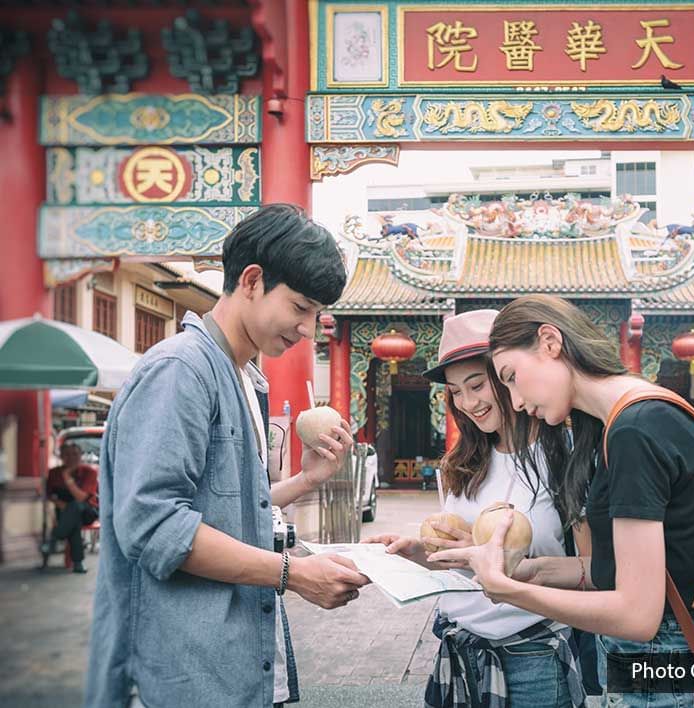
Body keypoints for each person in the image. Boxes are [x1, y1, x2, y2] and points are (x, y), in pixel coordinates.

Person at [85, 204, 370, 708]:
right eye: (301, 307)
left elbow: (228, 510)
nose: (309, 328)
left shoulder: (243, 376)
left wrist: (306, 480)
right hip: (182, 674)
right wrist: (294, 574)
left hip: (232, 669)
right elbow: (153, 527)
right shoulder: (181, 372)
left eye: (316, 314)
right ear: (253, 280)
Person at [431, 295, 694, 708]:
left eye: (510, 377)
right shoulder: (633, 419)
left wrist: (508, 590)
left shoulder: (633, 431)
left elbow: (638, 615)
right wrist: (527, 569)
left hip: (661, 663)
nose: (514, 401)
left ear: (550, 342)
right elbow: (618, 569)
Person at [365, 309, 586, 708]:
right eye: (455, 391)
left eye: (476, 385)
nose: (467, 403)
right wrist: (416, 551)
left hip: (531, 655)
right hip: (458, 650)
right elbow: (457, 563)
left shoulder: (566, 459)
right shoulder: (464, 462)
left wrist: (503, 559)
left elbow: (593, 571)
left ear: (507, 374)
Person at [41, 440, 99, 573]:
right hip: (64, 513)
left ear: (80, 456)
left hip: (88, 511)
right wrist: (59, 503)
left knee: (77, 507)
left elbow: (82, 498)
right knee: (74, 519)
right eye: (67, 454)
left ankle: (55, 538)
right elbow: (49, 494)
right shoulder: (54, 473)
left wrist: (67, 477)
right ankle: (78, 563)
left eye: (75, 454)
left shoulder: (89, 472)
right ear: (61, 456)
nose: (71, 458)